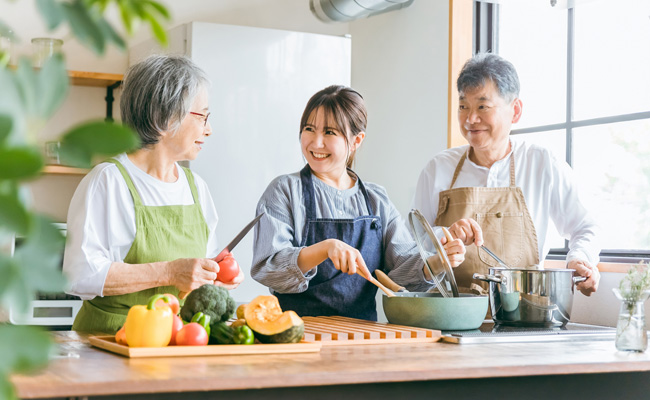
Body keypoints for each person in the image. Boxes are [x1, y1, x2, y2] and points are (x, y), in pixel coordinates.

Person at [251, 85, 466, 321]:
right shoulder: (284, 191)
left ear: (356, 140)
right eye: (309, 129)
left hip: (362, 336)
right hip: (297, 335)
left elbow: (400, 274)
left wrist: (435, 263)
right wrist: (325, 248)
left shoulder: (376, 200)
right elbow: (268, 268)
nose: (316, 142)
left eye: (330, 132)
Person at [63, 55, 243, 334]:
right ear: (162, 118)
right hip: (108, 342)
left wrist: (215, 276)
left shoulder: (197, 188)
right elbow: (79, 275)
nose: (209, 130)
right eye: (202, 117)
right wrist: (169, 272)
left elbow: (200, 271)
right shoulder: (108, 181)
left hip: (174, 340)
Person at [412, 53, 601, 296]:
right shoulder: (437, 168)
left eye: (482, 106)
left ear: (516, 110)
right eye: (463, 106)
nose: (470, 118)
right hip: (450, 314)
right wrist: (444, 236)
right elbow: (413, 246)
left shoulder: (542, 163)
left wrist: (579, 259)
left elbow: (586, 225)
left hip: (523, 312)